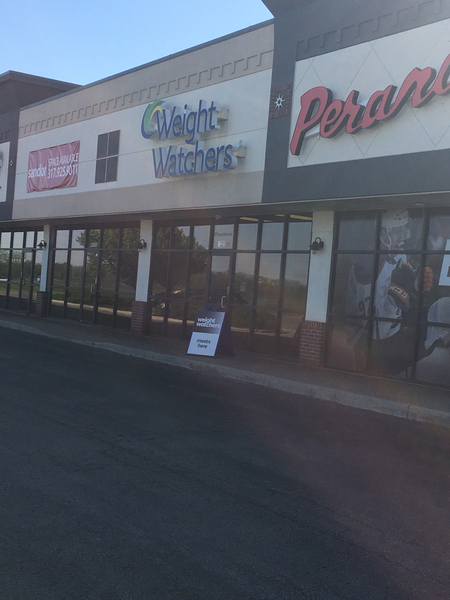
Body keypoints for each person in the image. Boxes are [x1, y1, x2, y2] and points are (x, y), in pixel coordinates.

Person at [345, 208, 450, 375]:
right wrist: (398, 292)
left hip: (397, 327)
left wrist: (415, 287)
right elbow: (376, 329)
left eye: (403, 229)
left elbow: (403, 306)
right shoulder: (367, 262)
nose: (402, 236)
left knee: (446, 307)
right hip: (371, 344)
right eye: (396, 231)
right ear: (382, 233)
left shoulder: (398, 255)